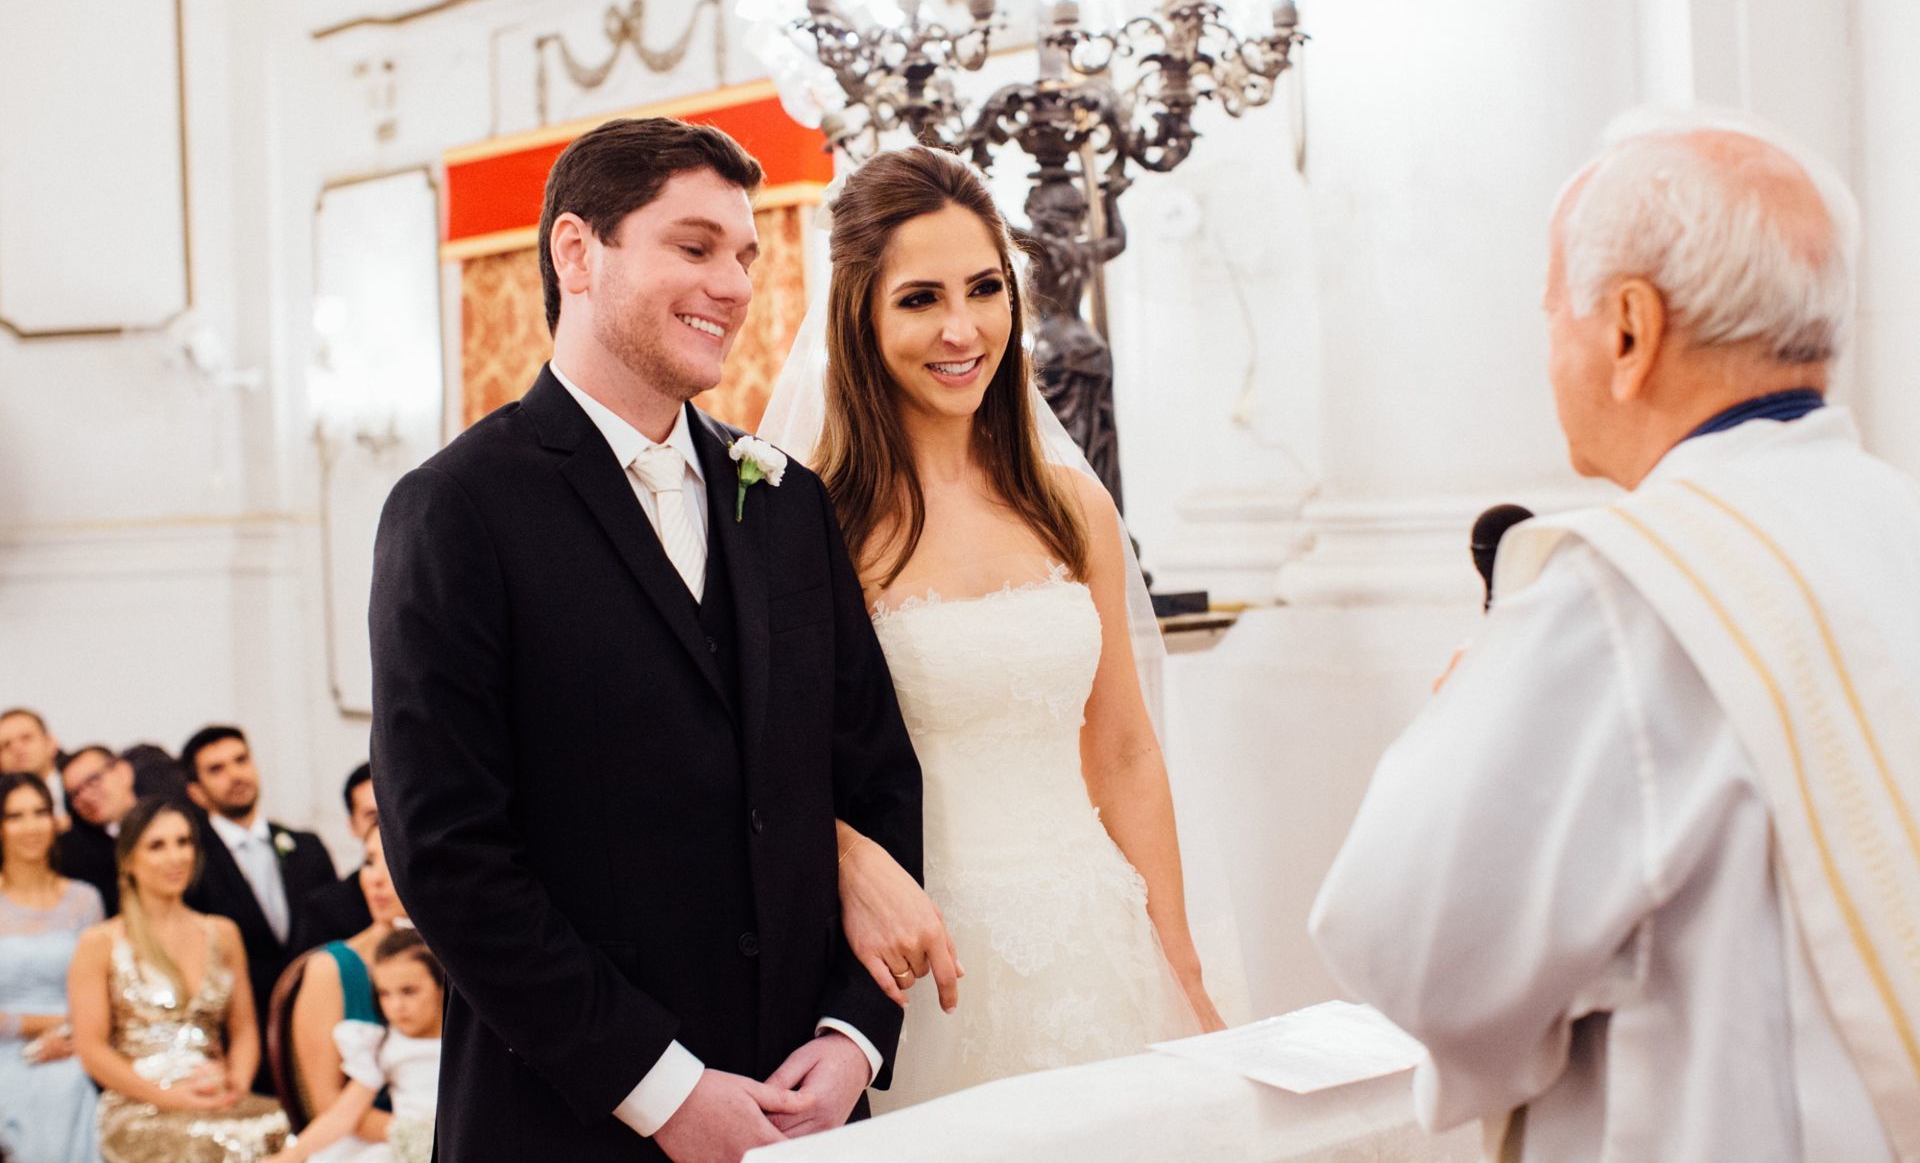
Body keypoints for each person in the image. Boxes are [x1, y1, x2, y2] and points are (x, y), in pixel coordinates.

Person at [1309, 110, 1917, 1162]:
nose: (1549, 349)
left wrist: (1465, 715)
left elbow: (1407, 941)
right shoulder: (1893, 525)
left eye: (1553, 312)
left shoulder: (1625, 593)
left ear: (1629, 329)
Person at [369, 116, 924, 1163]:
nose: (736, 283)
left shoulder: (786, 500)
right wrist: (660, 1087)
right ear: (577, 252)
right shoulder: (455, 508)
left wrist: (854, 1032)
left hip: (807, 1105)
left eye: (746, 255)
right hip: (572, 1117)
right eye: (695, 245)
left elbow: (878, 780)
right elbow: (448, 855)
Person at [759, 145, 1224, 1111]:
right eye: (920, 298)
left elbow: (1127, 751)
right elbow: (774, 766)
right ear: (862, 315)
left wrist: (1179, 964)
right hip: (929, 964)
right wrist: (851, 859)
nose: (962, 329)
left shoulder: (1069, 507)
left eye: (985, 288)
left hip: (1100, 940)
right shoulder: (818, 528)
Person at [68, 796, 290, 1161]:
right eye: (157, 845)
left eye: (184, 842)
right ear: (129, 859)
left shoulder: (222, 933)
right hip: (139, 1104)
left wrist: (234, 1085)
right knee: (206, 1140)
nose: (176, 856)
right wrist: (169, 1097)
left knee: (273, 1124)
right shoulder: (101, 942)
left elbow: (245, 1029)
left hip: (215, 1092)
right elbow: (91, 1049)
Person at [180, 725, 336, 1094]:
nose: (235, 774)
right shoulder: (191, 861)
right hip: (239, 1038)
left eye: (241, 760)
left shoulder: (306, 847)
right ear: (196, 792)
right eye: (216, 769)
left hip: (320, 1027)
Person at [263, 928, 443, 1163]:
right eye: (384, 994)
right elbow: (345, 1112)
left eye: (409, 991)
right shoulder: (382, 1044)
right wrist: (292, 1155)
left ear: (441, 986)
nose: (396, 1006)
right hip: (406, 1146)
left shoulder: (464, 1043)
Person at [0, 772, 103, 1163]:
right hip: (7, 1052)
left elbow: (101, 987)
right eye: (15, 816)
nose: (31, 826)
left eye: (40, 812)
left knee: (71, 1083)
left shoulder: (84, 900)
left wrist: (77, 1033)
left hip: (75, 1047)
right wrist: (50, 1028)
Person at [289, 824, 407, 1140]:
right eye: (369, 862)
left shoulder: (457, 964)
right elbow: (324, 1105)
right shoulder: (331, 969)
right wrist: (425, 1135)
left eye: (393, 860)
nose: (377, 878)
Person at [293, 764, 376, 952]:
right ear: (352, 826)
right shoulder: (325, 910)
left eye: (392, 813)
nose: (384, 828)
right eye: (373, 817)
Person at [56, 746, 141, 915]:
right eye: (76, 793)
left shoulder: (176, 823)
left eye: (93, 780)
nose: (85, 797)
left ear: (124, 772)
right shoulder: (72, 856)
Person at [0, 710, 67, 830]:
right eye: (6, 745)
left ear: (51, 743)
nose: (17, 748)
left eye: (26, 738)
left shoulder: (81, 788)